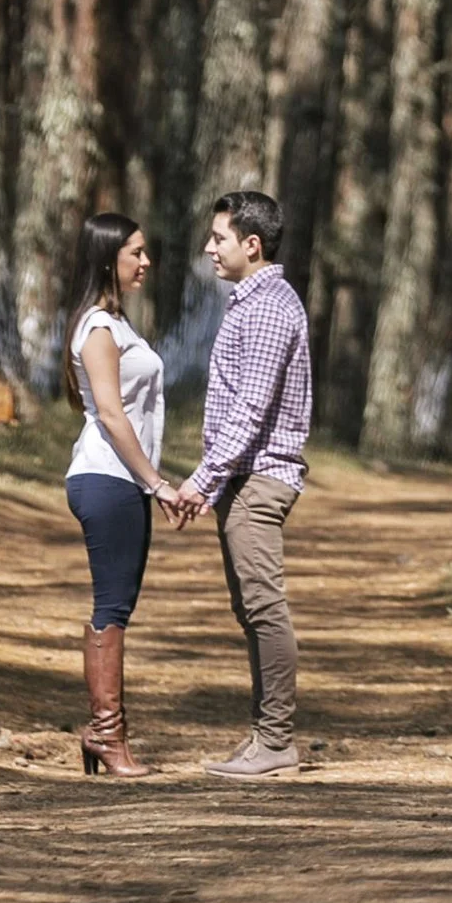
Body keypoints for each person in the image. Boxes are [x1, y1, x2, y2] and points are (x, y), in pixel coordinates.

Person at [166, 188, 311, 776]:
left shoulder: (270, 307)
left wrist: (202, 481)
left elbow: (251, 409)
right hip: (242, 480)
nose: (209, 247)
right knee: (252, 609)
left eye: (220, 238)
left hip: (259, 479)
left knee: (264, 608)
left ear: (252, 245)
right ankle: (266, 738)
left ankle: (275, 740)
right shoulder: (250, 303)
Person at [63, 209, 178, 775]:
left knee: (119, 606)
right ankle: (108, 736)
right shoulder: (98, 328)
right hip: (108, 476)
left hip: (122, 478)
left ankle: (105, 734)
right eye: (135, 252)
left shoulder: (117, 323)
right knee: (111, 606)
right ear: (108, 256)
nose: (145, 261)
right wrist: (156, 482)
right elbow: (109, 413)